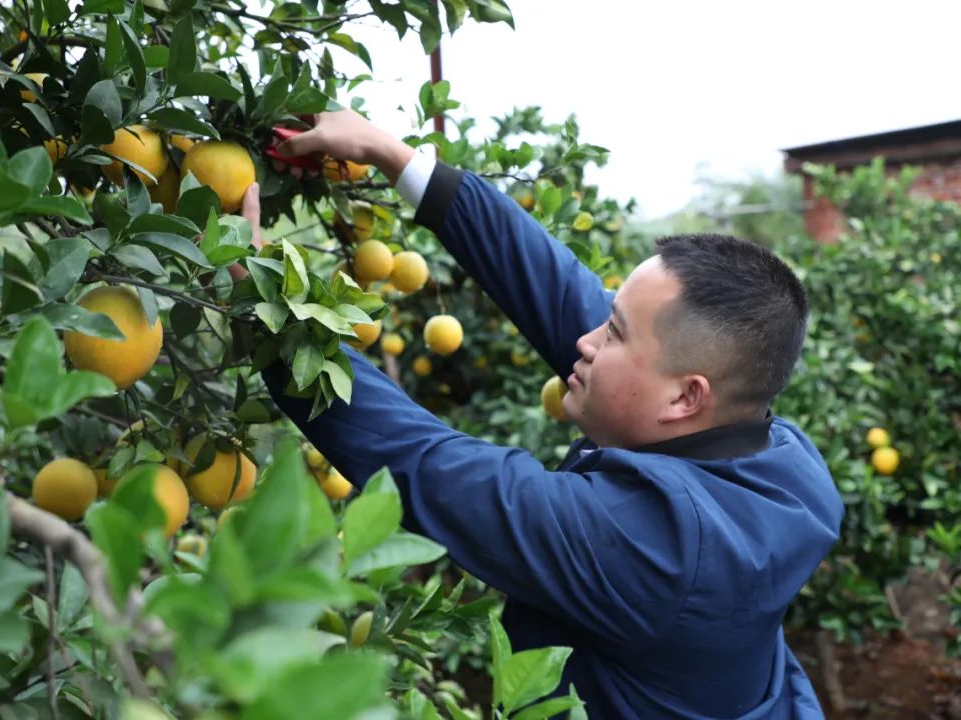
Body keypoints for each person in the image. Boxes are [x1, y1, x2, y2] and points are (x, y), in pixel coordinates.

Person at [240, 111, 843, 719]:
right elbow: (560, 293)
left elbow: (432, 467)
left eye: (613, 332)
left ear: (687, 397)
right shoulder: (780, 458)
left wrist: (261, 304)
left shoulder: (652, 550)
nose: (585, 339)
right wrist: (394, 156)